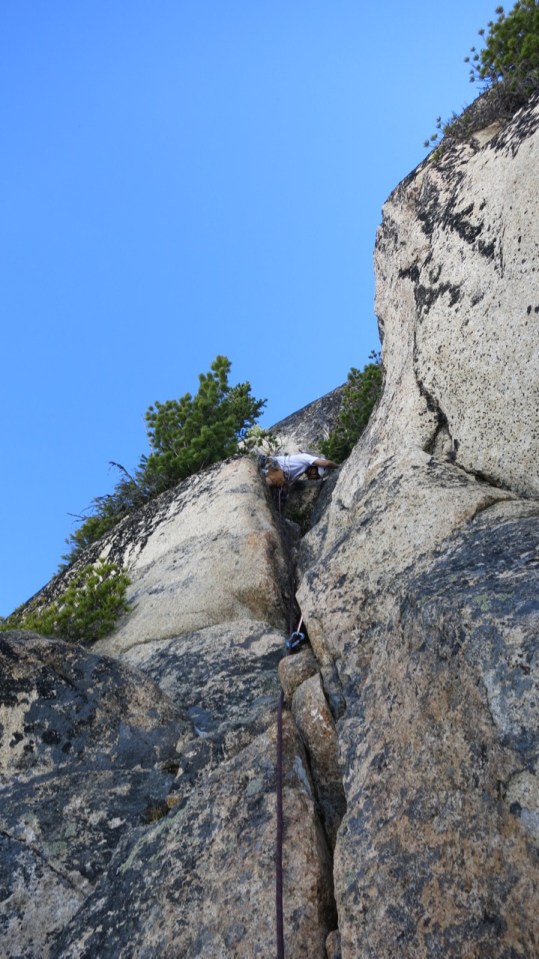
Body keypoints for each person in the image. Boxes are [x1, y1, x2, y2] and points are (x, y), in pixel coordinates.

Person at [265, 451, 338, 487]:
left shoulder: (301, 471)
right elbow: (327, 464)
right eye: (316, 474)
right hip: (274, 465)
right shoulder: (306, 458)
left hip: (277, 469)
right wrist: (338, 467)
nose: (314, 477)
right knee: (278, 479)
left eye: (317, 477)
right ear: (314, 467)